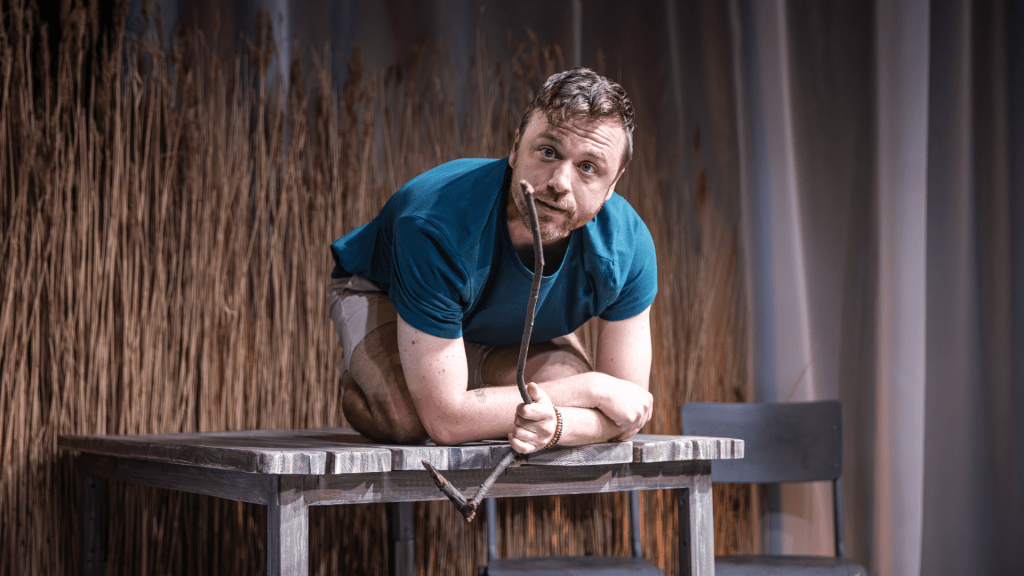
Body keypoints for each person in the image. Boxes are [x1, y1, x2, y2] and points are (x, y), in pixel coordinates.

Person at [328, 68, 656, 454]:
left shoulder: (627, 246)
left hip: (508, 317)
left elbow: (629, 409)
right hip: (386, 292)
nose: (559, 183)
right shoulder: (435, 222)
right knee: (407, 417)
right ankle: (379, 379)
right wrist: (590, 388)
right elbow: (446, 423)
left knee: (565, 382)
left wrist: (558, 425)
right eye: (548, 152)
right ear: (516, 148)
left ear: (613, 183)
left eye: (588, 167)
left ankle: (466, 381)